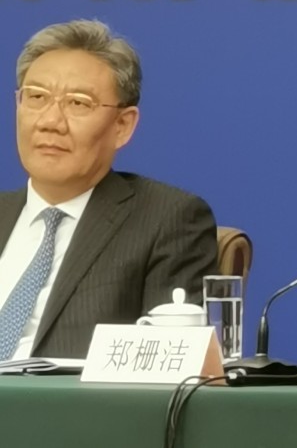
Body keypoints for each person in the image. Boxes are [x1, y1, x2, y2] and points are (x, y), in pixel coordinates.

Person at [0, 19, 219, 360]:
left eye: (78, 103)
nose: (49, 122)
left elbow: (170, 365)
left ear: (122, 125)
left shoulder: (167, 220)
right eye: (37, 97)